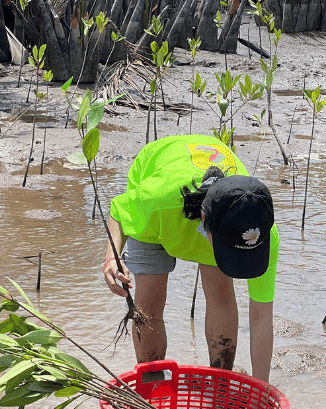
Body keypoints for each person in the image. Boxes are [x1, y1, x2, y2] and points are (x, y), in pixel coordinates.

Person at [102, 134, 279, 382]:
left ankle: (220, 382)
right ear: (205, 224)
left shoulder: (258, 233)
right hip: (160, 198)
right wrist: (113, 257)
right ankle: (153, 384)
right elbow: (119, 211)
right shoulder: (156, 203)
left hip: (215, 213)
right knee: (149, 304)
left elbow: (261, 316)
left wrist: (262, 389)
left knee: (220, 291)